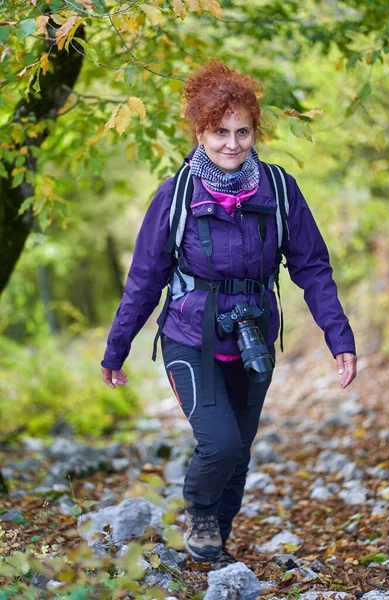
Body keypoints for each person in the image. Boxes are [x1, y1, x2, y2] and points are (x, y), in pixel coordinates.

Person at [101, 60, 357, 568]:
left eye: (242, 132)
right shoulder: (176, 195)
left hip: (254, 336)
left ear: (254, 131)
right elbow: (145, 279)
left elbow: (313, 267)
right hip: (188, 337)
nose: (232, 144)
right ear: (200, 131)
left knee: (239, 448)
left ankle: (215, 543)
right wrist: (117, 347)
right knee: (218, 443)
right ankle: (198, 514)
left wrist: (340, 338)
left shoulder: (279, 190)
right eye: (220, 132)